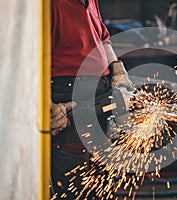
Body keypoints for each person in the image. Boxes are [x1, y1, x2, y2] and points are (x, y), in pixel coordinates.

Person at [50, 0, 133, 199]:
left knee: (97, 177)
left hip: (99, 94)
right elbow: (32, 59)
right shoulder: (51, 6)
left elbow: (103, 38)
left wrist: (117, 68)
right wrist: (47, 105)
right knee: (75, 184)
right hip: (68, 97)